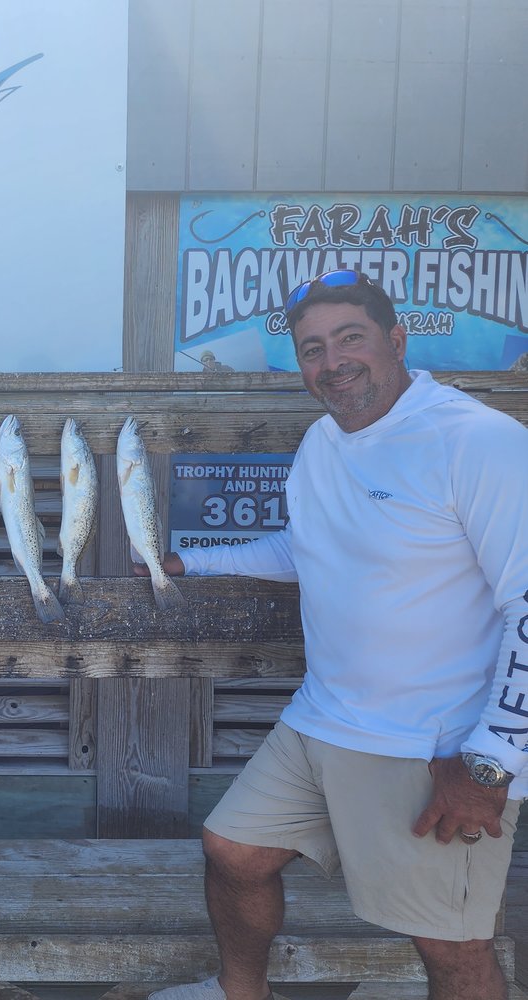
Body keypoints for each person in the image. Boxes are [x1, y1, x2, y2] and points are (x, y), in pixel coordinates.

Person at [144, 270, 528, 1000]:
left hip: (430, 745)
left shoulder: (477, 441)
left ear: (396, 339)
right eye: (312, 348)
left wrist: (488, 764)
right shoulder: (323, 440)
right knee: (232, 851)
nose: (332, 361)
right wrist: (189, 560)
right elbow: (307, 546)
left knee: (450, 946)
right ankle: (238, 992)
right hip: (321, 721)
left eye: (350, 338)